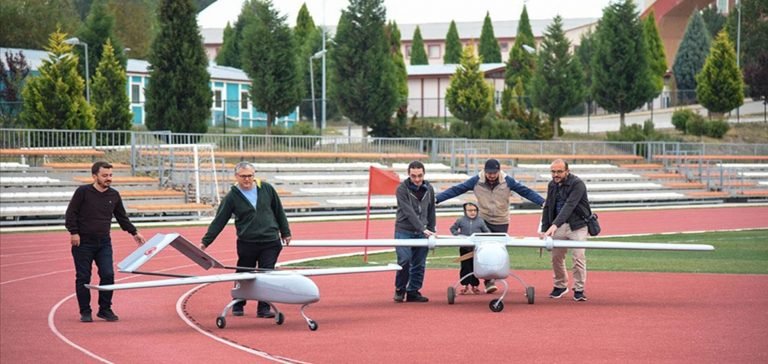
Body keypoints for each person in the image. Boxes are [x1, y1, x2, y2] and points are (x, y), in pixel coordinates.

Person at [436, 158, 545, 293]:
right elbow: (457, 189)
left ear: (499, 171)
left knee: (495, 250)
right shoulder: (476, 181)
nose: (491, 176)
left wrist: (542, 202)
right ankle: (474, 282)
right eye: (489, 173)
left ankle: (489, 281)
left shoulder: (508, 181)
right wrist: (438, 199)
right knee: (477, 250)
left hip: (501, 220)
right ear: (485, 171)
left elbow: (526, 191)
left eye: (494, 173)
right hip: (483, 219)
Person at [200, 161, 292, 318]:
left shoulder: (267, 189)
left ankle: (263, 308)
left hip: (270, 241)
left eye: (250, 176)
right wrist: (205, 241)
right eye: (243, 176)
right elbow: (219, 220)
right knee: (244, 273)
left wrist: (285, 231)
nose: (247, 179)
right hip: (247, 242)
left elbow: (279, 211)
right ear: (236, 176)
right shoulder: (232, 197)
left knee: (266, 274)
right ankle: (238, 303)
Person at [65, 161, 146, 323]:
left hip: (103, 242)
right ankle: (85, 311)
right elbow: (70, 214)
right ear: (94, 176)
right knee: (83, 277)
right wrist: (74, 232)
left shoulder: (114, 195)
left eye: (110, 175)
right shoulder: (83, 192)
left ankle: (105, 309)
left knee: (108, 274)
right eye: (104, 175)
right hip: (83, 243)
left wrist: (134, 232)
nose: (108, 178)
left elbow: (122, 217)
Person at [540, 159, 592, 302]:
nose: (555, 174)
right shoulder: (552, 185)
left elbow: (569, 206)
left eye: (559, 172)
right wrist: (544, 229)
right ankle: (560, 285)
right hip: (559, 225)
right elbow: (548, 207)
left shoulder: (578, 184)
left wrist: (554, 225)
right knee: (556, 257)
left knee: (578, 257)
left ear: (567, 171)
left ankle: (579, 289)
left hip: (578, 225)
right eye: (553, 171)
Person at [393, 161, 436, 303]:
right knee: (404, 260)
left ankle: (413, 291)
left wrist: (431, 229)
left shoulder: (429, 188)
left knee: (419, 263)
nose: (417, 179)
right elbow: (408, 212)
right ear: (408, 174)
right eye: (413, 176)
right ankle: (400, 289)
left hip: (423, 232)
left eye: (420, 175)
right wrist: (422, 228)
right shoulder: (401, 189)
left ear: (424, 174)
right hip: (404, 230)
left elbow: (431, 211)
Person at [449, 202, 490, 294]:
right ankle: (465, 285)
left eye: (475, 210)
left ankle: (475, 285)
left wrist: (484, 238)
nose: (472, 212)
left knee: (475, 267)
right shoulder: (460, 220)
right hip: (464, 248)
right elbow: (452, 229)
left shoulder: (480, 221)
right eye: (470, 210)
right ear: (465, 211)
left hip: (476, 249)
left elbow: (487, 231)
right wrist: (458, 234)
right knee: (465, 267)